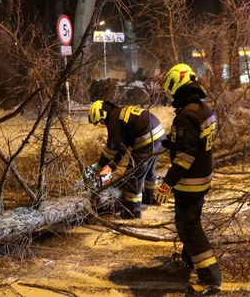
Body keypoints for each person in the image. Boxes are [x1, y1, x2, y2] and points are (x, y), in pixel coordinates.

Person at [155, 63, 222, 296]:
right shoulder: (203, 109)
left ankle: (210, 277)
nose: (172, 96)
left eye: (172, 91)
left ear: (178, 86)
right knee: (188, 222)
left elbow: (185, 156)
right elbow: (196, 143)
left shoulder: (187, 114)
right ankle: (189, 259)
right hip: (203, 176)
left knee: (189, 226)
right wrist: (172, 142)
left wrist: (167, 183)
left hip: (190, 180)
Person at [88, 100, 166, 219]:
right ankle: (150, 198)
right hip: (159, 135)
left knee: (133, 175)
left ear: (102, 114)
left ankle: (132, 211)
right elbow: (122, 147)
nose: (102, 123)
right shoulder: (120, 113)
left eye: (100, 121)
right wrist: (111, 167)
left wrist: (100, 166)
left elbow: (112, 149)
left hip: (147, 137)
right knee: (149, 170)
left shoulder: (114, 119)